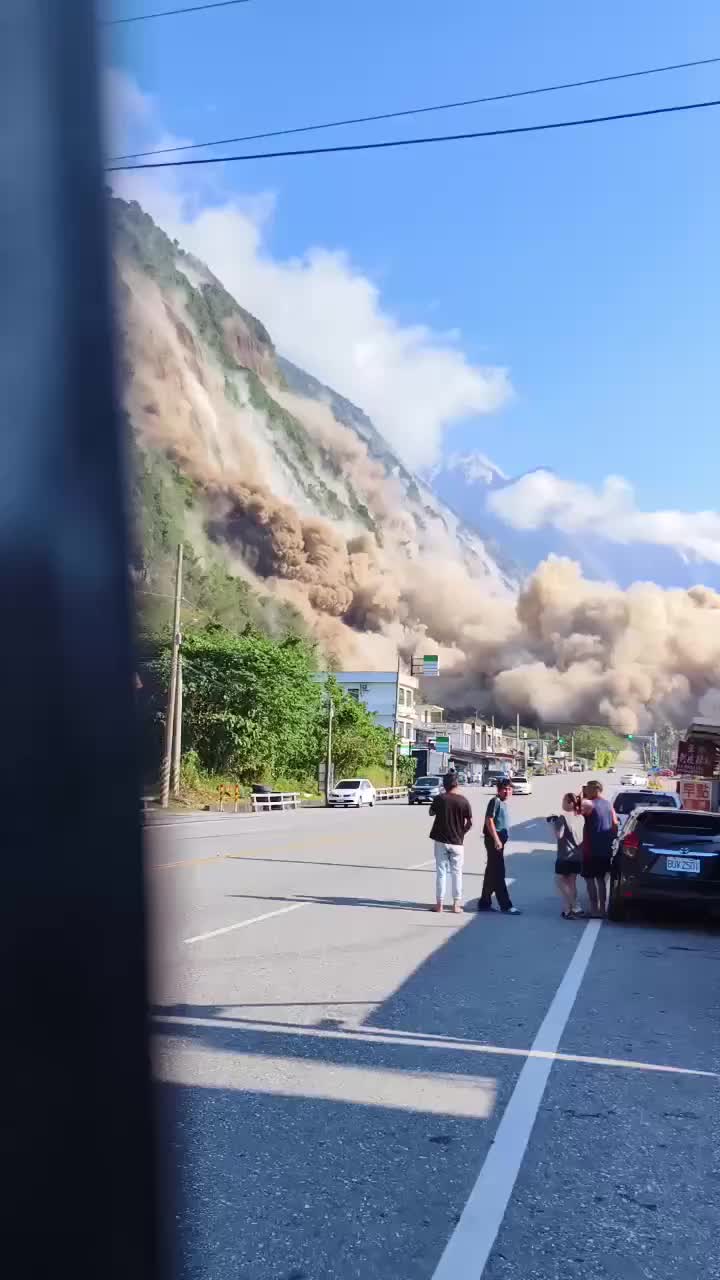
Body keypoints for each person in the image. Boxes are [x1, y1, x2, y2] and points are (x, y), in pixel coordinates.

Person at [428, 771, 472, 914]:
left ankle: (439, 905)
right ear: (457, 784)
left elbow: (431, 813)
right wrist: (461, 833)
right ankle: (455, 905)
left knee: (441, 873)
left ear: (444, 785)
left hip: (441, 840)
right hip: (457, 842)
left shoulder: (439, 799)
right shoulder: (463, 801)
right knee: (457, 873)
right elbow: (469, 822)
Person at [478, 779, 521, 914]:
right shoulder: (495, 801)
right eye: (505, 789)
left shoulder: (503, 803)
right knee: (499, 873)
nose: (507, 791)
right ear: (499, 790)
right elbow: (489, 820)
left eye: (509, 789)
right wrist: (496, 839)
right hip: (494, 841)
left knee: (491, 873)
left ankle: (484, 903)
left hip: (499, 841)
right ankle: (506, 905)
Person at [580, 779, 616, 917]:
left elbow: (575, 812)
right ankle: (602, 910)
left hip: (591, 849)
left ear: (596, 789)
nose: (586, 790)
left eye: (588, 788)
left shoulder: (589, 804)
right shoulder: (608, 804)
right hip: (605, 848)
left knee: (590, 879)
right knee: (601, 879)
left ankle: (594, 910)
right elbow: (615, 824)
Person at [549, 793, 584, 918]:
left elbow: (559, 835)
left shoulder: (562, 818)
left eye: (564, 800)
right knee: (572, 882)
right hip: (578, 855)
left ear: (570, 803)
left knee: (559, 881)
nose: (562, 803)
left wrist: (554, 823)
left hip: (565, 855)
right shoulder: (580, 817)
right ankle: (567, 909)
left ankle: (574, 905)